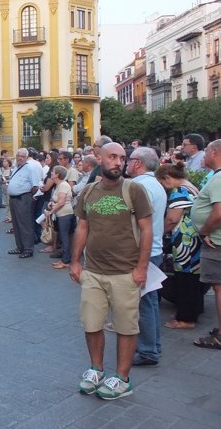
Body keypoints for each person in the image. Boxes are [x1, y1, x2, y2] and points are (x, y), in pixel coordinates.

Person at [70, 142, 154, 400]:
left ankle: (122, 378)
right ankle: (96, 369)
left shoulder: (134, 190)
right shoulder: (88, 191)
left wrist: (141, 268)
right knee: (92, 323)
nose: (118, 162)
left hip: (125, 272)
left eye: (122, 158)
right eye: (112, 157)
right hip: (93, 271)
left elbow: (148, 229)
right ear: (100, 159)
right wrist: (74, 261)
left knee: (126, 327)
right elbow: (82, 227)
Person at [127, 147, 167, 367]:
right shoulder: (155, 184)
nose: (125, 163)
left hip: (143, 252)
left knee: (143, 303)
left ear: (137, 163)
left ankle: (148, 350)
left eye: (128, 159)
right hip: (152, 250)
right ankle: (153, 346)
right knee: (149, 302)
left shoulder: (139, 185)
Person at [155, 162, 204, 329]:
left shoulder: (179, 191)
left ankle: (186, 318)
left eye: (162, 183)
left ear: (167, 178)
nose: (163, 187)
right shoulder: (191, 187)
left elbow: (172, 219)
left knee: (185, 279)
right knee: (193, 278)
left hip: (185, 240)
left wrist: (158, 233)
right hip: (194, 239)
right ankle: (193, 311)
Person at [190, 139, 221, 351]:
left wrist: (204, 231)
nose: (204, 156)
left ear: (215, 152)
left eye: (207, 151)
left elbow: (219, 212)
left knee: (219, 288)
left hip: (215, 243)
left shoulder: (219, 179)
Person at [7, 148, 42, 258]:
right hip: (13, 198)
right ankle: (20, 247)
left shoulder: (30, 168)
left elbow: (35, 186)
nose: (20, 158)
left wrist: (29, 197)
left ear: (26, 158)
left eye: (23, 156)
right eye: (18, 156)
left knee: (25, 224)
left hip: (23, 198)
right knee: (16, 224)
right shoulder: (16, 167)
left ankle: (28, 249)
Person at [46, 165, 75, 270]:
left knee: (64, 237)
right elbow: (58, 199)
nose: (51, 173)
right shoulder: (60, 185)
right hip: (62, 214)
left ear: (57, 174)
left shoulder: (62, 185)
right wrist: (51, 203)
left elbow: (62, 201)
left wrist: (51, 212)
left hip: (65, 214)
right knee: (64, 237)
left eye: (53, 172)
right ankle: (64, 258)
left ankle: (66, 261)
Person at [0, 157, 13, 222]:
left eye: (5, 161)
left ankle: (10, 217)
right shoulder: (2, 170)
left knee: (9, 203)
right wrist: (0, 180)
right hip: (3, 188)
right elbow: (0, 178)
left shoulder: (11, 170)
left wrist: (6, 181)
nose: (3, 163)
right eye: (3, 161)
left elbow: (13, 179)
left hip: (9, 188)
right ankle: (7, 216)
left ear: (9, 163)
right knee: (6, 203)